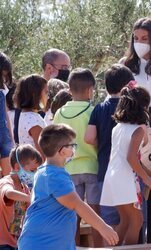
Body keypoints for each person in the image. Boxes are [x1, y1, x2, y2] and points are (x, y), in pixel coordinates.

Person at [18, 124, 119, 250]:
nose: (74, 149)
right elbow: (77, 204)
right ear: (62, 150)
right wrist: (103, 227)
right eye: (72, 145)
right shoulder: (55, 176)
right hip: (43, 244)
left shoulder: (44, 171)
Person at [119, 17, 151, 243]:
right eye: (136, 38)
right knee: (133, 181)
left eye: (144, 38)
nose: (139, 42)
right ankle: (133, 243)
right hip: (132, 123)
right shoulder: (125, 64)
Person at [100, 86, 151, 245]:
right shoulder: (138, 129)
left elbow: (130, 157)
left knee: (125, 220)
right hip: (125, 178)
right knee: (137, 221)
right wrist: (147, 179)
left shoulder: (118, 127)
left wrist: (148, 176)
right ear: (144, 107)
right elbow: (132, 158)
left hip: (112, 176)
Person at [53, 68, 101, 246]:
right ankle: (100, 247)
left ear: (69, 90)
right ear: (90, 90)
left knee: (72, 215)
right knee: (95, 214)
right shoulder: (93, 111)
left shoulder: (59, 113)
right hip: (91, 167)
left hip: (69, 170)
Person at [85, 64, 134, 230]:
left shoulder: (99, 109)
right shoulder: (132, 108)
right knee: (134, 220)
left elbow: (89, 137)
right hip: (129, 171)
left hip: (105, 170)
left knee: (109, 222)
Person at [0, 144, 42, 249]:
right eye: (32, 170)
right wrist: (30, 198)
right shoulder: (6, 182)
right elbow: (9, 193)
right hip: (2, 243)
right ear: (17, 167)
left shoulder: (25, 188)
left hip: (15, 243)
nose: (35, 174)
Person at [13, 74, 48, 160]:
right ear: (35, 94)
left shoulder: (27, 115)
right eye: (46, 92)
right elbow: (41, 151)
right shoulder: (32, 120)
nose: (48, 96)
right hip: (37, 168)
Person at [0, 52, 14, 176]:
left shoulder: (2, 90)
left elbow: (5, 115)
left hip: (4, 137)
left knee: (8, 178)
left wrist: (11, 139)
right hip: (4, 137)